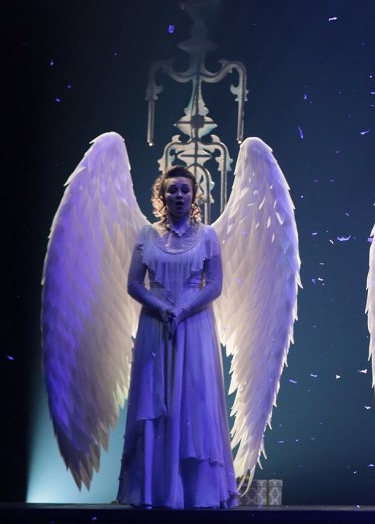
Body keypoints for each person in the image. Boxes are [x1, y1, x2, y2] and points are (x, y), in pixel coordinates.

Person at [117, 166, 238, 508]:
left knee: (195, 399)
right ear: (162, 196)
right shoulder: (146, 234)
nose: (179, 196)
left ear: (194, 195)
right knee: (156, 398)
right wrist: (162, 308)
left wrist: (182, 310)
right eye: (172, 190)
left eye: (185, 190)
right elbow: (134, 284)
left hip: (194, 324)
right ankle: (155, 491)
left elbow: (214, 285)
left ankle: (197, 492)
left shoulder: (208, 236)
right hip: (156, 325)